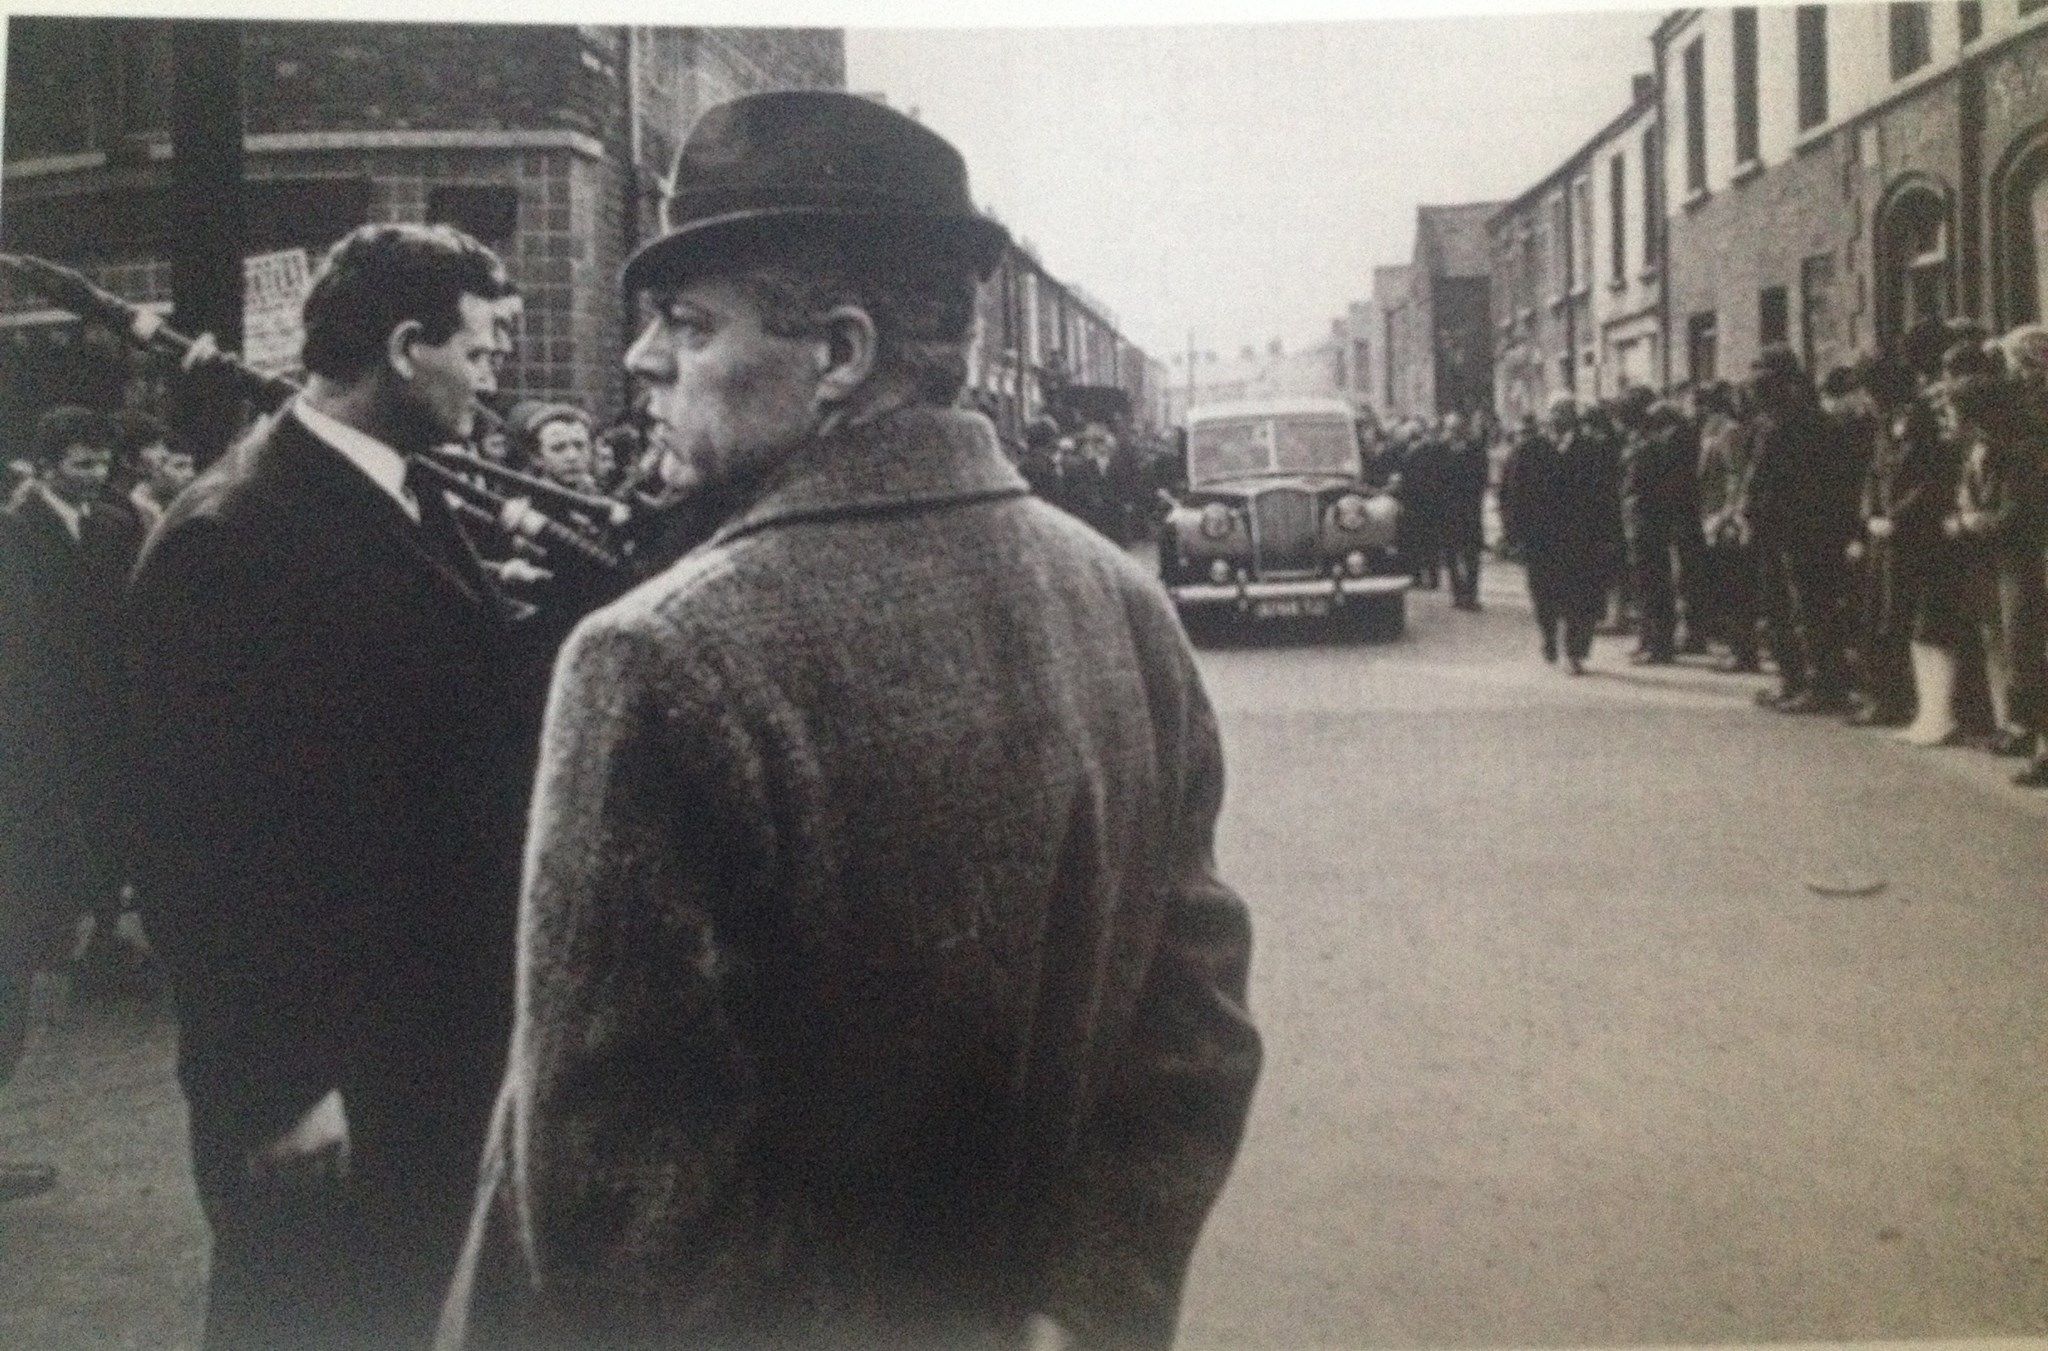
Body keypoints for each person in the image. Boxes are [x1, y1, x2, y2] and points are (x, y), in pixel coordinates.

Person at [443, 90, 1262, 1351]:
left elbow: (616, 1203)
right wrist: (1081, 1304)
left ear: (836, 355)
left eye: (688, 323)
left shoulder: (656, 657)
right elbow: (1191, 1028)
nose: (642, 360)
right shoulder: (1124, 603)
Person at [125, 223, 533, 1350]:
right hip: (331, 1082)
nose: (495, 376)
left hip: (418, 1050)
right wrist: (276, 1087)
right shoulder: (233, 537)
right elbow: (196, 848)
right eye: (481, 349)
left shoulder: (390, 490)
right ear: (405, 347)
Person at [0, 405, 145, 1203]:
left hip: (90, 736)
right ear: (46, 461)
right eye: (80, 462)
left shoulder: (114, 527)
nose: (94, 475)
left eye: (101, 462)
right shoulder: (14, 536)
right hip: (33, 754)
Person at [1939, 344, 2048, 781]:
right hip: (1999, 563)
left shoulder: (2022, 452)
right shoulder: (1982, 449)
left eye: (1955, 412)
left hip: (2027, 563)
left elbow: (2017, 515)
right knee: (2014, 650)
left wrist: (1969, 523)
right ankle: (2024, 732)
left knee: (2030, 652)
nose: (1949, 419)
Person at [1500, 395, 1619, 673]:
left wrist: (1608, 534)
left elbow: (1606, 495)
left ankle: (1574, 652)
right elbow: (1512, 493)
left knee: (1580, 594)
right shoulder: (1529, 450)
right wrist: (1513, 533)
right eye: (1555, 412)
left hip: (1581, 537)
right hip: (1541, 538)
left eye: (1566, 412)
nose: (1559, 418)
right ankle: (1549, 636)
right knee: (1543, 592)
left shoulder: (1592, 450)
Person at [1439, 411, 1488, 610]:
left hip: (1469, 511)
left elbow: (1481, 477)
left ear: (1463, 429)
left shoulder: (1475, 449)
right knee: (1451, 555)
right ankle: (1458, 594)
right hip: (1448, 512)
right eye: (1450, 428)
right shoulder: (1441, 451)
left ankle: (1471, 595)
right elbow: (1436, 480)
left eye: (1456, 428)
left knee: (1472, 556)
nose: (1453, 432)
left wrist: (1474, 500)